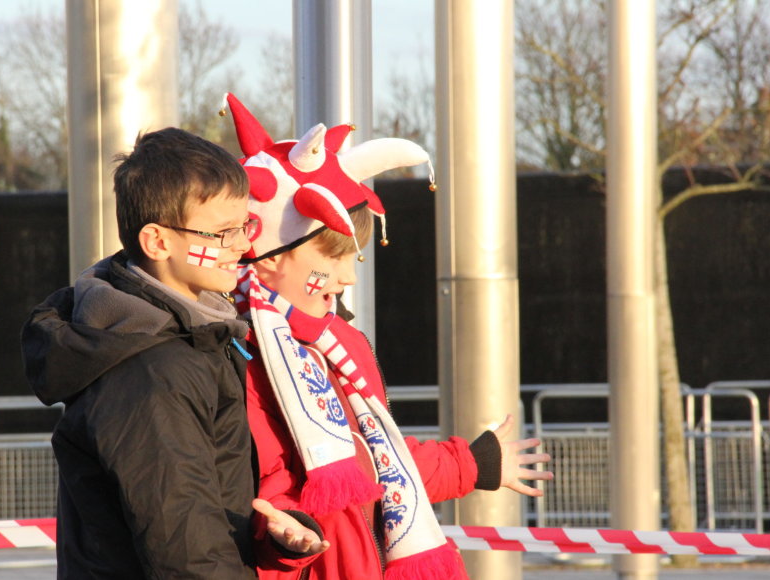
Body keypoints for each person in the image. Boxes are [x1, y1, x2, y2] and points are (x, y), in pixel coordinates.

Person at [222, 94, 554, 579]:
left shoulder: (338, 343)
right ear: (269, 256)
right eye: (331, 260)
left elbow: (373, 460)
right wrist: (289, 535)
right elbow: (270, 491)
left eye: (351, 258)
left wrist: (469, 464)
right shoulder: (241, 356)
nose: (348, 279)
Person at [21, 127, 325, 579]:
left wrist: (269, 535)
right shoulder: (149, 369)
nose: (243, 246)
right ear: (158, 242)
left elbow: (205, 510)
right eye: (223, 233)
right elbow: (185, 549)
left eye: (245, 226)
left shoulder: (190, 337)